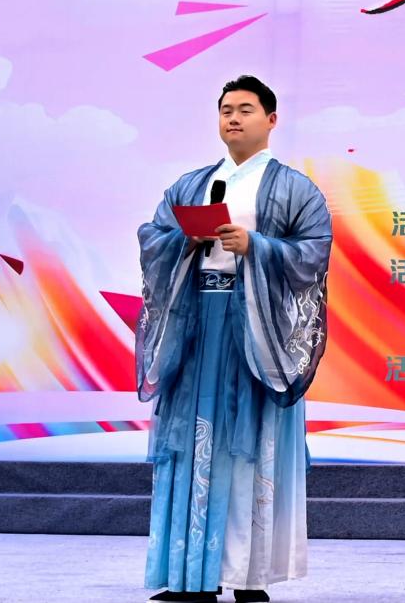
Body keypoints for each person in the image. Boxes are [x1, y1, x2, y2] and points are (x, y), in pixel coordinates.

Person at [135, 75, 332, 602]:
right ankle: (189, 576)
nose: (234, 119)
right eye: (226, 110)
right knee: (191, 445)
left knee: (247, 447)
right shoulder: (191, 184)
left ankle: (249, 576)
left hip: (255, 332)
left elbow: (315, 252)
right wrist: (184, 240)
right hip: (196, 325)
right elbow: (152, 238)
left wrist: (257, 246)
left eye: (246, 109)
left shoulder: (295, 188)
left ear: (271, 119)